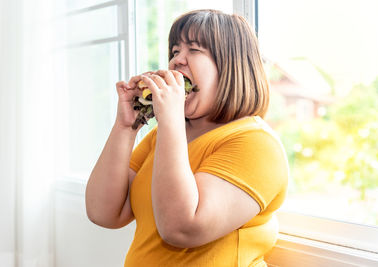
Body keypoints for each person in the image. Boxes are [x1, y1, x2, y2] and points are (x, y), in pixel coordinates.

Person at [85, 9, 289, 267]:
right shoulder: (164, 136)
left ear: (230, 65)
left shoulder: (256, 143)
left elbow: (181, 228)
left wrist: (169, 118)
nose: (177, 61)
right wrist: (126, 126)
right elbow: (103, 212)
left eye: (194, 50)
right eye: (175, 51)